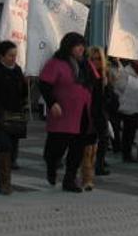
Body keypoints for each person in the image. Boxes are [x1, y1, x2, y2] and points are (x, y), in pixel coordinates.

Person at [38, 32, 99, 193]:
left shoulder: (86, 64)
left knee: (77, 147)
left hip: (83, 112)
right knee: (57, 146)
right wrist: (52, 103)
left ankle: (69, 179)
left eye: (82, 45)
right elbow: (44, 85)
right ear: (68, 46)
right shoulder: (56, 63)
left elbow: (96, 82)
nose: (81, 48)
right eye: (77, 45)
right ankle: (51, 165)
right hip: (63, 112)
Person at [0, 40, 27, 195]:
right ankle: (4, 183)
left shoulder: (17, 70)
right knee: (4, 145)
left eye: (15, 55)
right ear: (1, 56)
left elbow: (22, 94)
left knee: (13, 148)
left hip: (15, 115)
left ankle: (7, 178)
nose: (13, 58)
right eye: (10, 55)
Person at [79, 46, 111, 190]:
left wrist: (108, 87)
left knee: (102, 140)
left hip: (101, 113)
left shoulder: (104, 75)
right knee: (88, 145)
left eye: (99, 59)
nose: (96, 62)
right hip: (88, 114)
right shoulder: (86, 75)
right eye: (93, 59)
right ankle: (86, 176)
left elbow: (107, 98)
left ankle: (98, 166)